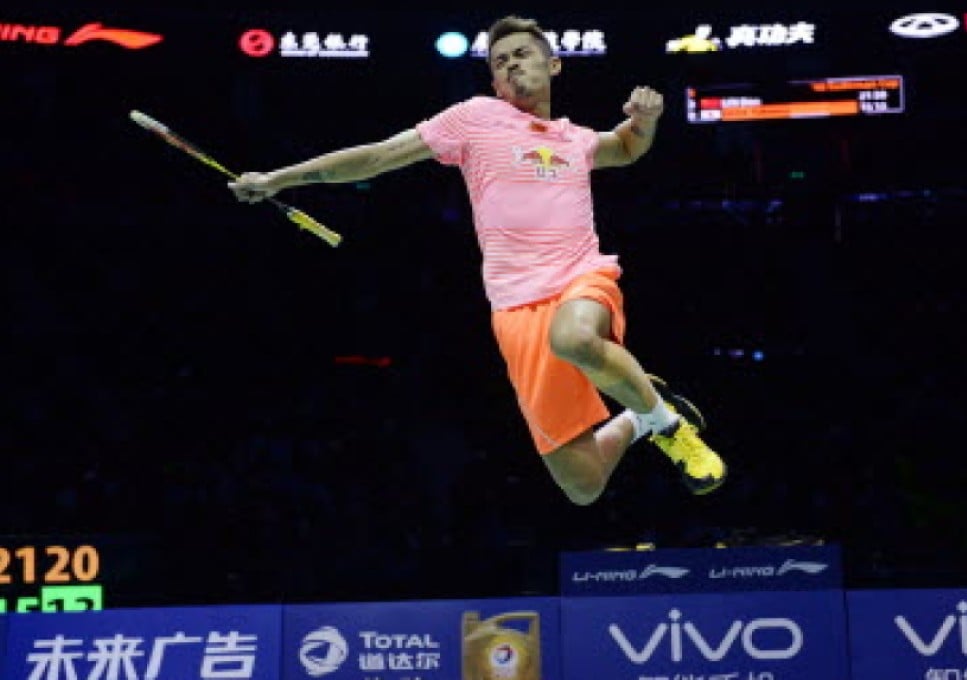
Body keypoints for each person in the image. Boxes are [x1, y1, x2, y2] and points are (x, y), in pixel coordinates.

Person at [229, 15, 726, 505]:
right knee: (582, 483)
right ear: (492, 81)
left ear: (554, 65)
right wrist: (278, 179)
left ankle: (669, 427)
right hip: (513, 306)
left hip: (580, 276)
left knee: (574, 337)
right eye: (500, 61)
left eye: (522, 55)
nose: (511, 65)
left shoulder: (576, 140)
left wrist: (645, 121)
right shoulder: (474, 118)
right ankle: (639, 415)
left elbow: (625, 147)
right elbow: (377, 157)